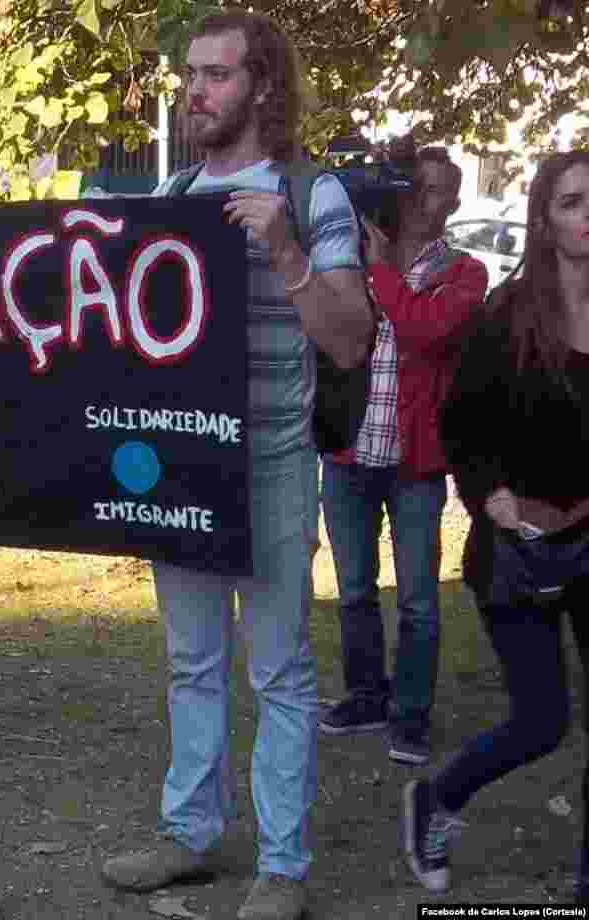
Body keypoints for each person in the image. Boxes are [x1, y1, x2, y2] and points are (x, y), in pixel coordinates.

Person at [99, 11, 373, 920]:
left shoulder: (311, 190)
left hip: (272, 464)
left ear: (262, 86)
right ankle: (190, 835)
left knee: (282, 671)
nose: (194, 92)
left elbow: (347, 341)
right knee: (191, 663)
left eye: (216, 76)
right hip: (182, 464)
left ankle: (283, 866)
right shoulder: (173, 189)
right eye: (189, 75)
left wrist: (287, 253)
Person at [402, 150, 589, 899]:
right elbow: (462, 426)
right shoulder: (508, 317)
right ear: (545, 221)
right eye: (575, 202)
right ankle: (437, 800)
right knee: (541, 722)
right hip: (521, 550)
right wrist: (495, 497)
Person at [318, 147, 489, 765]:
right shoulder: (353, 256)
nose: (425, 197)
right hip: (348, 453)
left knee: (418, 598)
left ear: (455, 202)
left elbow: (425, 329)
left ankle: (410, 716)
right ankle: (366, 695)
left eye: (440, 189)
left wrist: (382, 269)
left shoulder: (466, 273)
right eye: (417, 184)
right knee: (355, 589)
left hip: (415, 462)